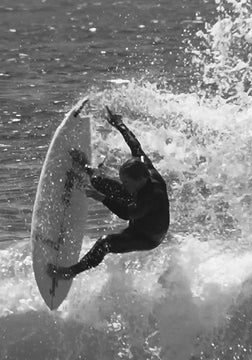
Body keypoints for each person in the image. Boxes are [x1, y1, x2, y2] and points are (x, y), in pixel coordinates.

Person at [47, 107, 169, 280]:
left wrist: (102, 198)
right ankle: (87, 167)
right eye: (123, 181)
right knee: (99, 182)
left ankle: (70, 273)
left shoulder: (153, 196)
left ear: (142, 179)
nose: (123, 186)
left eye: (127, 183)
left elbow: (127, 213)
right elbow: (135, 145)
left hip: (145, 236)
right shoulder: (143, 166)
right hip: (136, 205)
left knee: (105, 243)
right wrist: (119, 124)